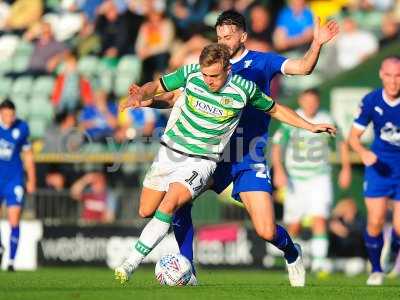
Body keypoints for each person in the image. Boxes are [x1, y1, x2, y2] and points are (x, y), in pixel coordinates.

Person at [115, 43, 336, 286]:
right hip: (170, 153)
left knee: (174, 204)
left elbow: (276, 110)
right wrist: (141, 96)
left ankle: (129, 265)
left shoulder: (244, 89)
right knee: (146, 210)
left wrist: (310, 125)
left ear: (228, 69)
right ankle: (185, 271)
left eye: (214, 76)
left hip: (203, 160)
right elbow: (159, 89)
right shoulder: (191, 74)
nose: (208, 80)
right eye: (205, 74)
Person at [168, 10, 339, 281]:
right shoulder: (210, 64)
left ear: (243, 36)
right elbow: (178, 96)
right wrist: (147, 98)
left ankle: (292, 252)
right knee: (178, 203)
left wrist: (316, 44)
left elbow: (303, 68)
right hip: (212, 154)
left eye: (229, 35)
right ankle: (187, 270)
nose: (223, 40)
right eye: (219, 35)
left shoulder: (263, 62)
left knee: (266, 230)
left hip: (249, 155)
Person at [271, 88, 352, 273]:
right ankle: (291, 261)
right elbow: (277, 145)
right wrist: (279, 170)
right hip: (295, 179)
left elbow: (341, 143)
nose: (311, 105)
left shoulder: (327, 119)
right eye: (307, 101)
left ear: (318, 101)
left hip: (320, 177)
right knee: (294, 224)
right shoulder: (292, 118)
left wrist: (346, 168)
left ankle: (319, 263)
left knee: (320, 219)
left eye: (314, 101)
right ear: (300, 100)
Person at [348, 56, 400, 286]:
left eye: (398, 76)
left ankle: (393, 250)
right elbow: (353, 137)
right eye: (389, 75)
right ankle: (376, 269)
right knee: (376, 220)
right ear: (381, 75)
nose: (393, 81)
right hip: (379, 166)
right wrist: (363, 153)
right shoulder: (371, 100)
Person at [0, 99, 36, 271]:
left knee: (14, 219)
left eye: (12, 114)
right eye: (6, 114)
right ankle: (0, 246)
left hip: (14, 179)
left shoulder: (21, 128)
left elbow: (28, 154)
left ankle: (12, 261)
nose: (10, 118)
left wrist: (31, 179)